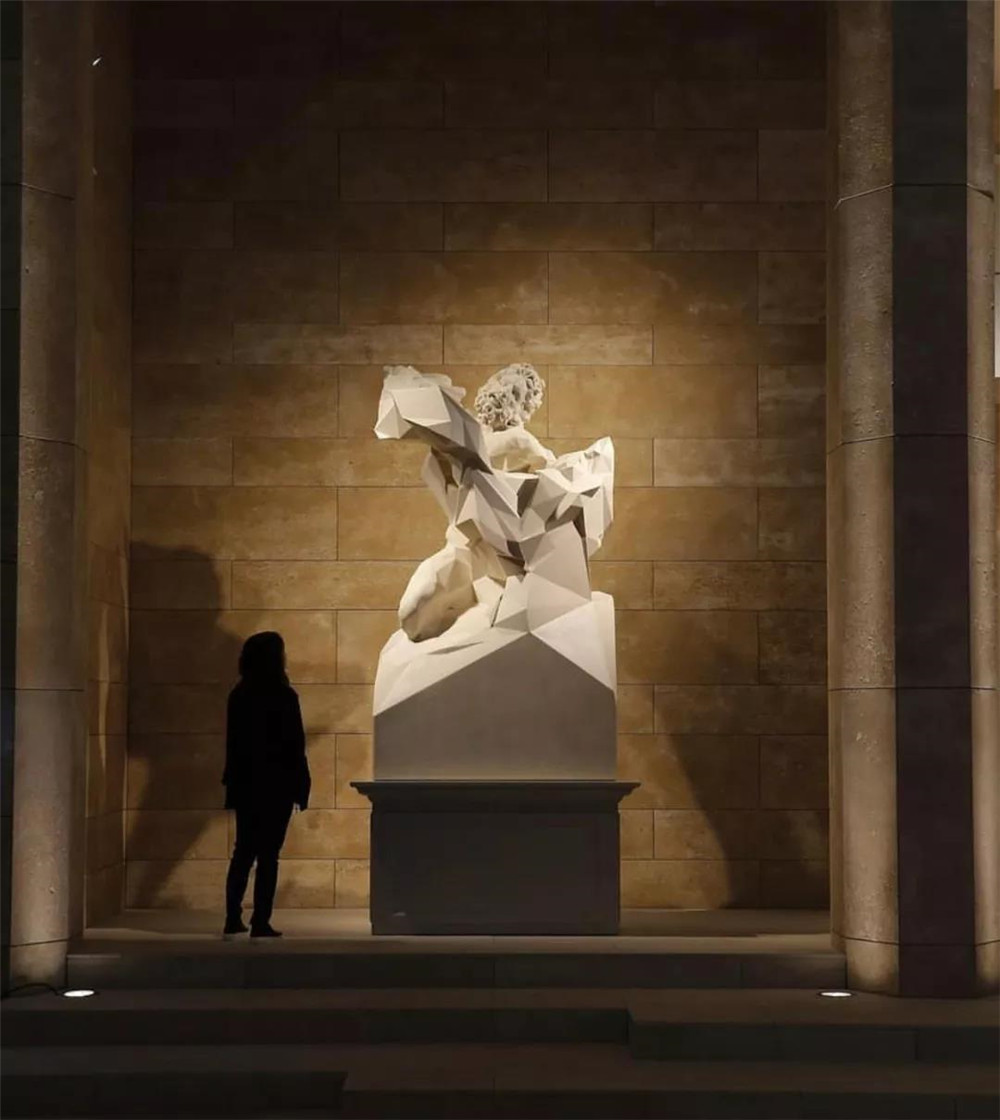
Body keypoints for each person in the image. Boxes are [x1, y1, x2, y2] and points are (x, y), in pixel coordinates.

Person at [222, 631, 310, 939]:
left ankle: (233, 916)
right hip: (277, 784)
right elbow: (295, 746)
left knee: (243, 852)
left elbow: (234, 746)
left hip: (248, 784)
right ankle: (261, 919)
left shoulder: (239, 695)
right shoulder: (284, 696)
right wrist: (301, 785)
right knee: (269, 855)